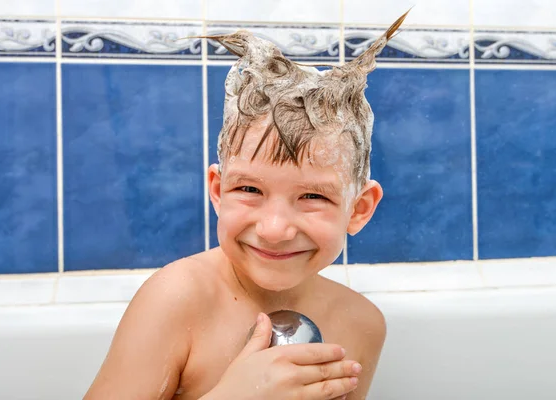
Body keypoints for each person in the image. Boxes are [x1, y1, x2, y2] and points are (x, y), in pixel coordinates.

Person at [84, 10, 410, 400]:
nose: (274, 228)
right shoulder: (178, 300)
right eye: (250, 190)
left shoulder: (362, 324)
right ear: (218, 191)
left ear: (358, 209)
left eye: (312, 196)